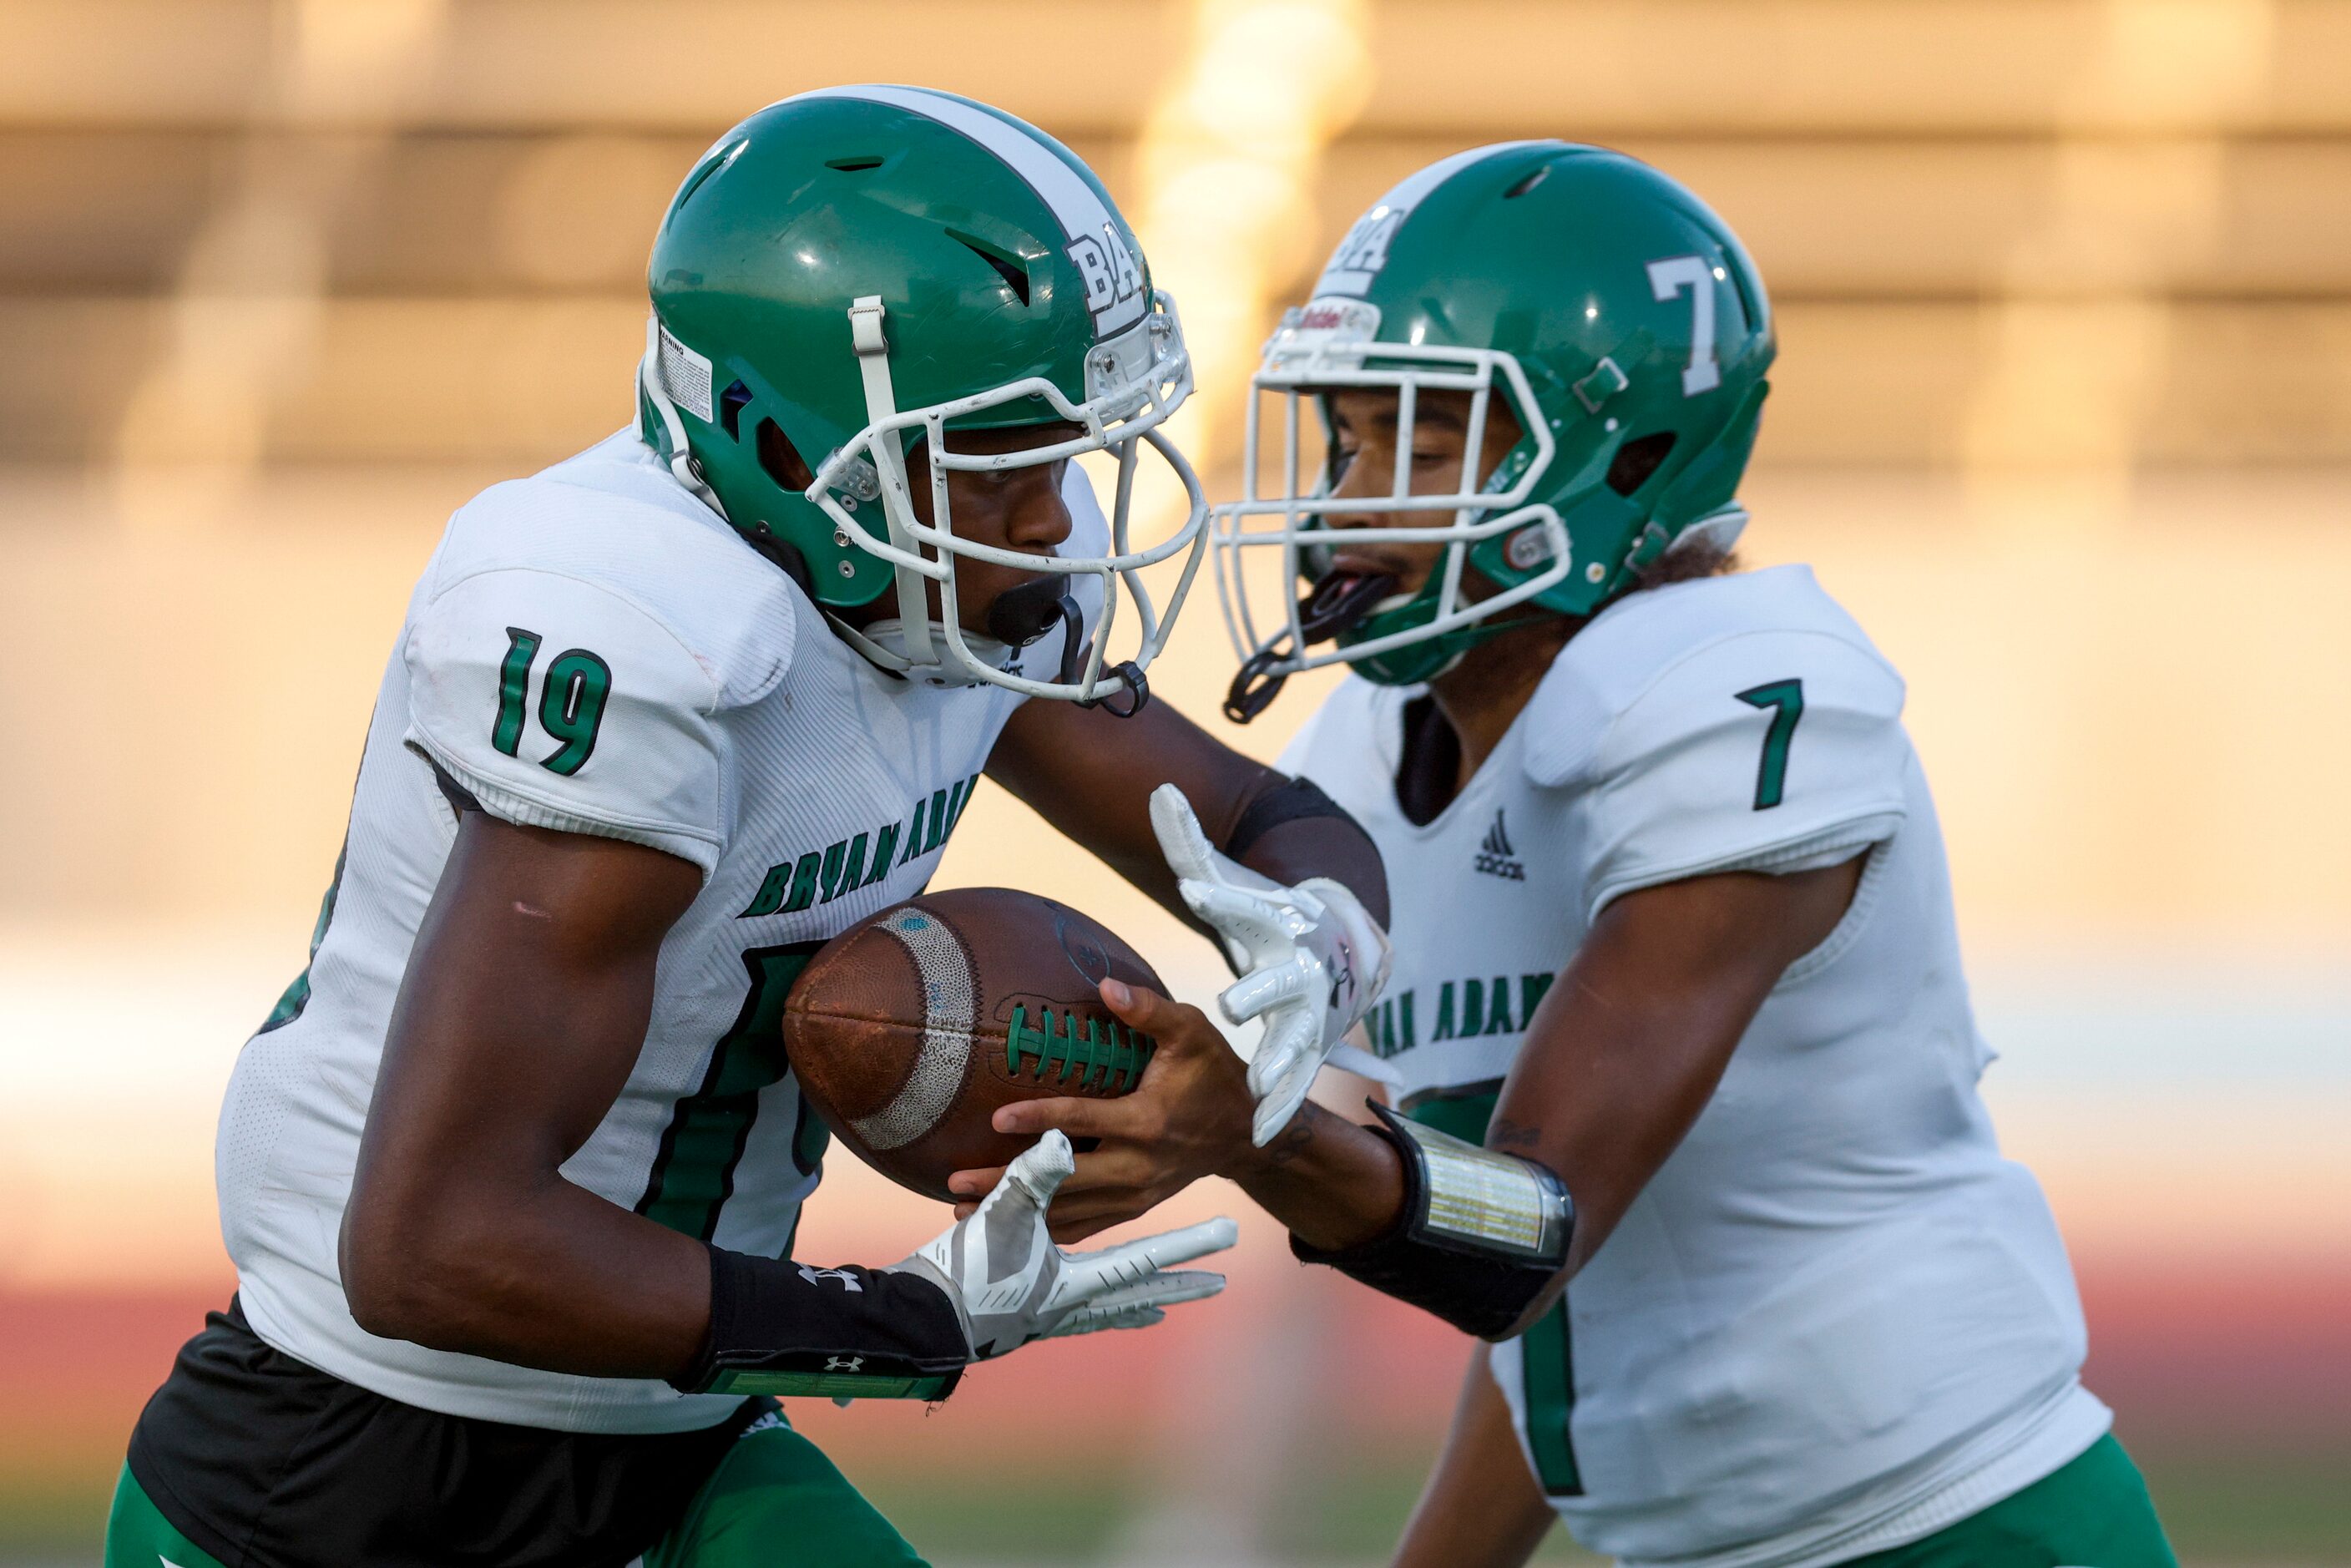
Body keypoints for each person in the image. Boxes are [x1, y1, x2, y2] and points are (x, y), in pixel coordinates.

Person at [104, 86, 1389, 1568]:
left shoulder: (948, 576)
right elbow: (431, 1246)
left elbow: (1251, 812)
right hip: (348, 1469)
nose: (1051, 518)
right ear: (789, 441)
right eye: (1005, 455)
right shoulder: (645, 628)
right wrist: (902, 1322)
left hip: (677, 1441)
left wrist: (1315, 951)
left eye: (1061, 453)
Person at [978, 143, 2180, 1568]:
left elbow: (1531, 1225)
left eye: (1423, 445)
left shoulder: (1731, 692)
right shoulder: (1375, 743)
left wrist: (1251, 1132)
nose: (1353, 500)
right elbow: (1564, 1335)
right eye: (1350, 438)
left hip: (1959, 1528)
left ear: (1630, 456)